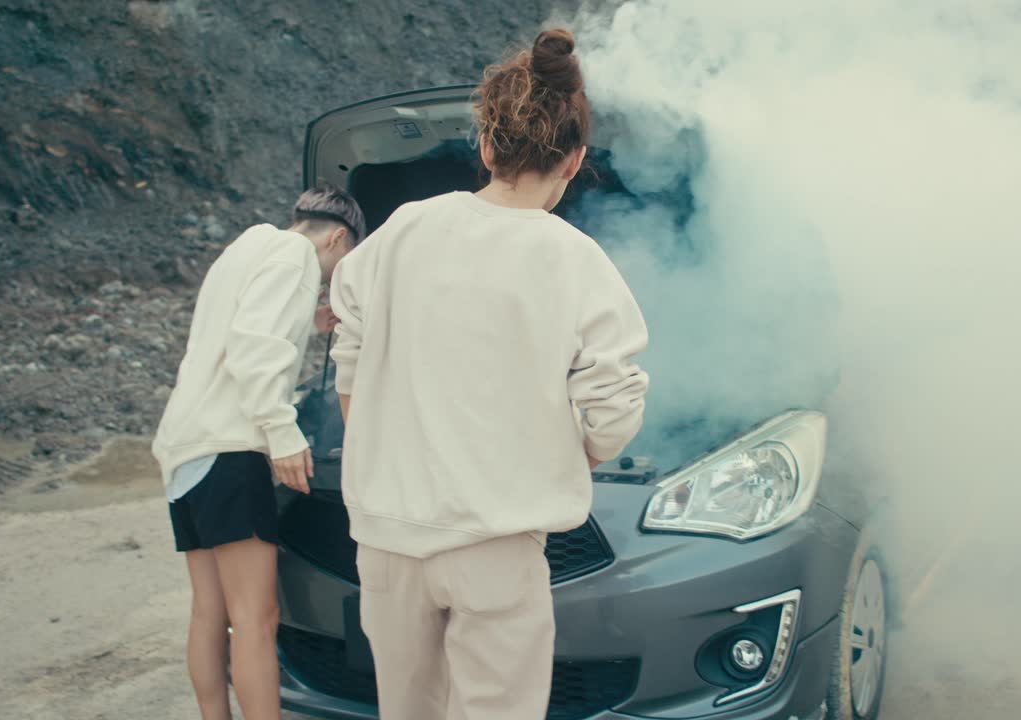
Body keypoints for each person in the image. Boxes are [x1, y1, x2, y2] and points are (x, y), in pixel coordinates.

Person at [329, 27, 650, 720]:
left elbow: (348, 340)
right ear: (574, 161)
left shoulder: (406, 230)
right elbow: (615, 406)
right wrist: (578, 451)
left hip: (387, 542)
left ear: (485, 145)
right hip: (497, 550)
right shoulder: (573, 258)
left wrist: (378, 443)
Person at [152, 185, 366, 720]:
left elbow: (239, 329)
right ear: (338, 238)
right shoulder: (296, 257)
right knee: (256, 617)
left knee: (210, 612)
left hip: (186, 452)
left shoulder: (248, 248)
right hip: (229, 449)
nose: (336, 277)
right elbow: (256, 345)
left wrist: (311, 321)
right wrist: (283, 432)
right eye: (343, 264)